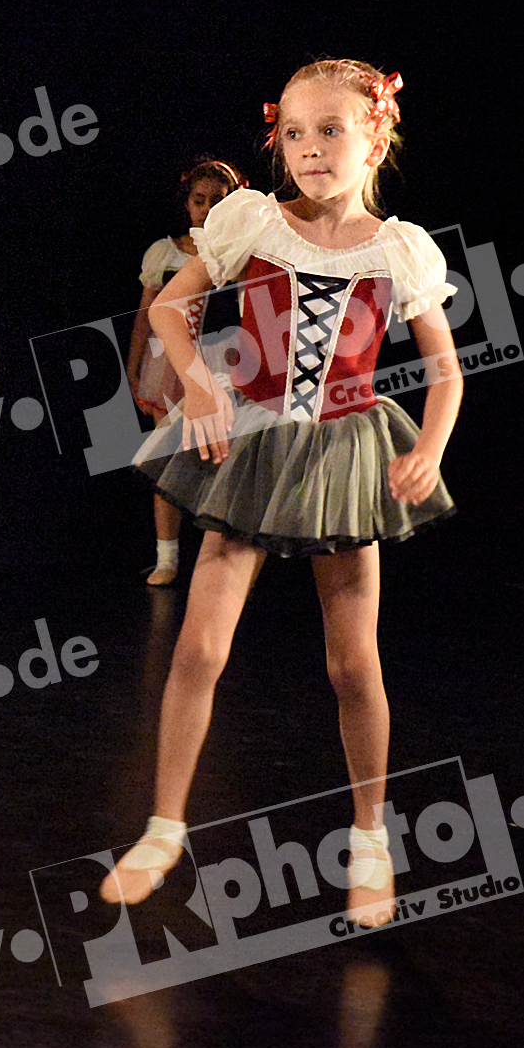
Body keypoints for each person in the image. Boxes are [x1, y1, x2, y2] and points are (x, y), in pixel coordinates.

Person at [101, 62, 459, 930]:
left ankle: (369, 838)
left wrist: (429, 449)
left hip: (343, 455)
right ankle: (162, 827)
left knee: (352, 664)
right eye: (293, 133)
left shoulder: (398, 247)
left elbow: (445, 371)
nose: (309, 149)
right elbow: (170, 310)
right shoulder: (255, 221)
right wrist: (197, 384)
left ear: (375, 138)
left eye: (330, 130)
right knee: (198, 646)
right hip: (255, 444)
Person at [127, 160, 245, 585]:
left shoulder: (241, 253)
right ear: (187, 202)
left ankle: (221, 562)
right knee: (169, 461)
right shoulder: (165, 253)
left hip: (223, 359)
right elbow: (146, 315)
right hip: (169, 363)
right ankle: (167, 558)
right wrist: (133, 368)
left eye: (218, 200)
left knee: (222, 459)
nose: (207, 208)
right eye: (200, 200)